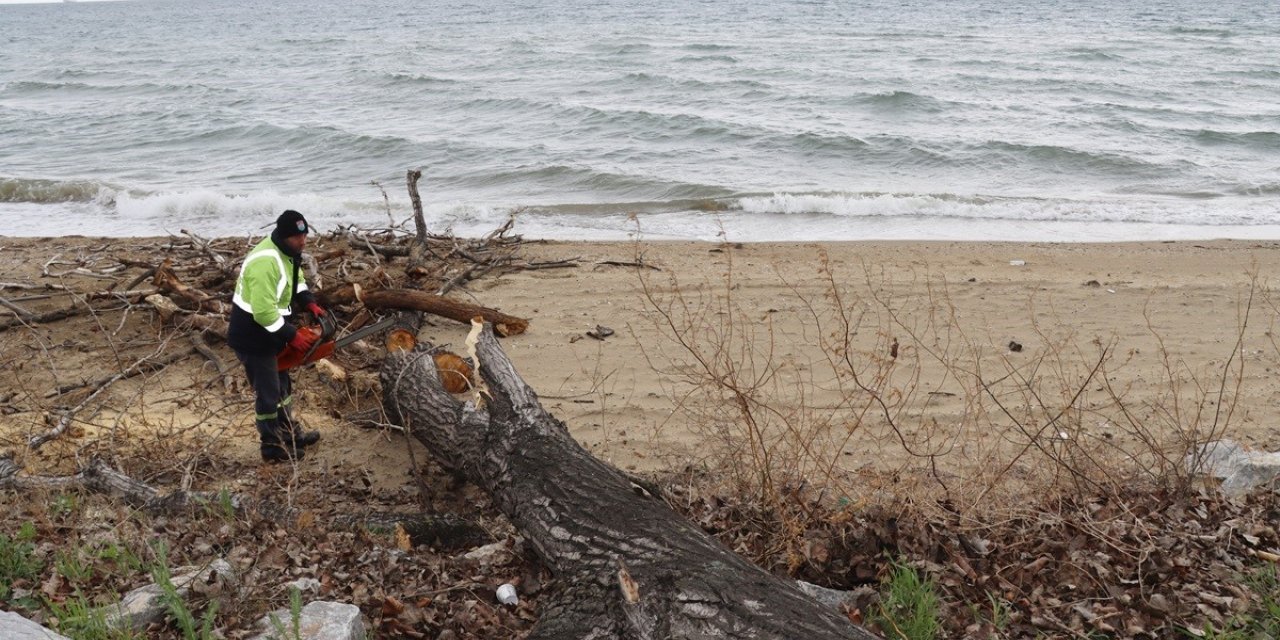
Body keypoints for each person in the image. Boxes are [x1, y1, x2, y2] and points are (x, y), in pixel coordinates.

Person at [227, 210, 325, 462]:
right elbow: (263, 312)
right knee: (269, 394)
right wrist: (292, 335)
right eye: (297, 237)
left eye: (305, 236)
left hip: (272, 333)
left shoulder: (288, 254)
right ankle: (271, 447)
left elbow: (296, 281)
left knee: (283, 387)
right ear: (283, 236)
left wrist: (309, 302)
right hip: (253, 336)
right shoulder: (265, 262)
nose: (302, 241)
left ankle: (289, 433)